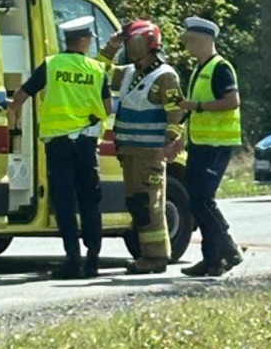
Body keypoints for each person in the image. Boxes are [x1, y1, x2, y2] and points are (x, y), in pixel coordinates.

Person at [9, 16, 111, 279]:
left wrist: (12, 115)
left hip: (59, 144)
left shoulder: (52, 65)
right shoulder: (97, 69)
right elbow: (108, 108)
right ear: (85, 40)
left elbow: (23, 94)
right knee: (90, 201)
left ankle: (72, 259)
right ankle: (93, 260)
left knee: (65, 202)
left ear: (67, 40)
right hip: (87, 144)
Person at [101, 20, 184, 275]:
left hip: (150, 152)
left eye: (132, 41)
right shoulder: (129, 73)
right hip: (129, 151)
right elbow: (98, 73)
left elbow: (175, 113)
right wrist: (109, 48)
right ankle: (147, 254)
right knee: (137, 203)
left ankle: (157, 256)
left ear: (149, 43)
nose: (129, 47)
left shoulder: (165, 75)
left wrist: (168, 145)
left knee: (150, 203)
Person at [178, 16, 245, 277]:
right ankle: (212, 260)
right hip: (200, 143)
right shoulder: (199, 69)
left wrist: (197, 107)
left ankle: (227, 249)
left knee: (203, 199)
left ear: (205, 40)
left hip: (217, 144)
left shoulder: (220, 68)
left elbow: (232, 101)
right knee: (197, 201)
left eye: (191, 41)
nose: (187, 46)